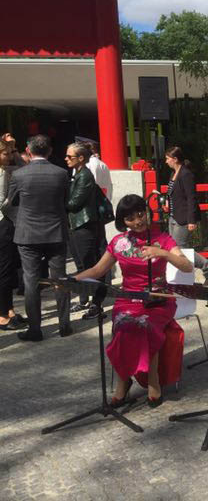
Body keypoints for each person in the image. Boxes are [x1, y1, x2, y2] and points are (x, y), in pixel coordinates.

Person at [75, 194, 193, 407]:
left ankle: (153, 380)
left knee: (144, 325)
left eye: (140, 214)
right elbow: (98, 269)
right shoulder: (119, 242)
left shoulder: (163, 238)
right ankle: (123, 382)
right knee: (123, 326)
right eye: (130, 218)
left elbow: (187, 266)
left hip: (158, 299)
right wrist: (71, 280)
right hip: (128, 298)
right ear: (123, 222)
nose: (138, 221)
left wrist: (163, 253)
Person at [4, 135, 71, 341]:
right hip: (56, 232)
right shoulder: (61, 173)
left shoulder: (20, 175)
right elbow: (66, 201)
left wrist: (18, 220)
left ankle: (35, 329)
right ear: (50, 151)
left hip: (28, 233)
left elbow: (9, 202)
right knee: (59, 279)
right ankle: (64, 325)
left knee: (31, 281)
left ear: (28, 150)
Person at [65, 142, 106, 320]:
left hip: (85, 225)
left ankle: (97, 304)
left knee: (92, 266)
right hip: (78, 225)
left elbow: (74, 203)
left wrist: (56, 201)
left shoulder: (85, 176)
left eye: (70, 156)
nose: (66, 159)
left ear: (81, 158)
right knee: (84, 265)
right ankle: (87, 301)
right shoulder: (79, 174)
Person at [163, 146, 208, 285]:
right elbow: (172, 193)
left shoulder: (186, 174)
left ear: (175, 159)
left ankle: (207, 266)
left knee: (180, 247)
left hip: (184, 217)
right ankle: (180, 277)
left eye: (168, 158)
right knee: (173, 248)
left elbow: (192, 198)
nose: (166, 161)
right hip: (174, 215)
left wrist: (191, 220)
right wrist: (168, 204)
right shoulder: (173, 173)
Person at [0, 138, 24, 330]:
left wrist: (13, 148)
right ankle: (3, 314)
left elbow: (25, 167)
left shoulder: (5, 170)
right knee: (4, 270)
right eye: (6, 153)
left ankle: (8, 310)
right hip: (3, 224)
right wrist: (14, 201)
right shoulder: (1, 173)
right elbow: (2, 202)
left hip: (6, 224)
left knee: (7, 270)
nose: (9, 157)